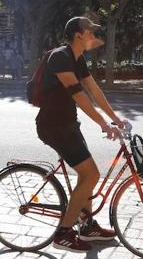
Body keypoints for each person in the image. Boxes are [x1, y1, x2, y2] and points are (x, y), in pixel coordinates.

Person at [36, 16, 126, 253]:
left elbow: (94, 90)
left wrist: (115, 119)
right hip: (53, 126)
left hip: (68, 125)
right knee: (91, 175)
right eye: (90, 32)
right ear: (78, 35)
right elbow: (79, 95)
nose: (93, 37)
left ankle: (86, 227)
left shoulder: (77, 59)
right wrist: (104, 125)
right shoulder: (60, 58)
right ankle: (64, 233)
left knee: (88, 176)